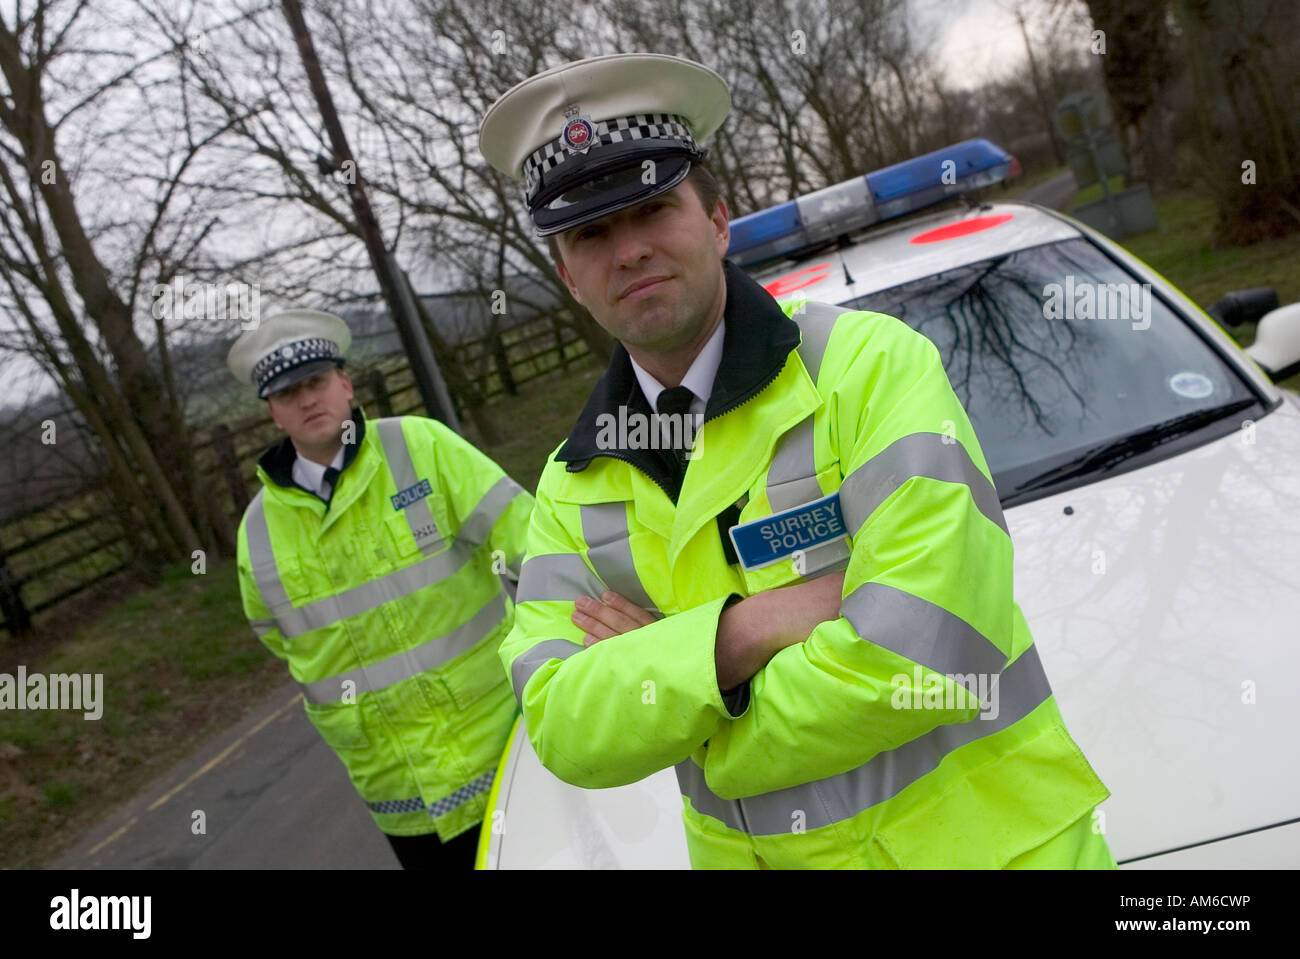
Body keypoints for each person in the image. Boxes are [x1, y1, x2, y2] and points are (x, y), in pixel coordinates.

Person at [480, 53, 1115, 869]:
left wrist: (694, 719)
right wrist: (739, 634)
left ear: (716, 222)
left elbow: (924, 648)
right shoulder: (572, 488)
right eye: (591, 233)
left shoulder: (872, 369)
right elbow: (562, 727)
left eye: (652, 210)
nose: (628, 250)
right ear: (568, 275)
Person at [227, 309, 533, 869]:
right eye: (289, 392)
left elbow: (534, 548)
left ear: (345, 383)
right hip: (402, 800)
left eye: (316, 381)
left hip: (513, 754)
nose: (307, 400)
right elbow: (282, 642)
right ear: (272, 411)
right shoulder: (256, 533)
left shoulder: (422, 447)